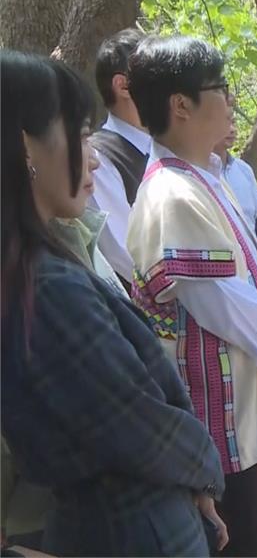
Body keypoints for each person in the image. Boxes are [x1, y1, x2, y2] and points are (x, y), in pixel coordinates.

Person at [1, 50, 226, 556]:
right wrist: (205, 469)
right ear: (26, 149)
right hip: (131, 530)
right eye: (81, 135)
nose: (95, 156)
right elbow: (137, 421)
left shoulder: (42, 260)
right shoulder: (46, 287)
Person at [126, 36, 257, 556]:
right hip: (218, 413)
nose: (230, 101)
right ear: (180, 105)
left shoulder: (203, 176)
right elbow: (221, 302)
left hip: (238, 405)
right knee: (235, 536)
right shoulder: (172, 193)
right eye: (220, 89)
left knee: (248, 529)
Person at [90, 28, 150, 284]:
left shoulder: (164, 149)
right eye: (157, 78)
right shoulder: (99, 157)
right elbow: (125, 254)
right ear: (123, 85)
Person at [215, 111, 257, 230]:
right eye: (225, 122)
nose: (232, 129)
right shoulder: (198, 172)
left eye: (233, 122)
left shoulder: (244, 170)